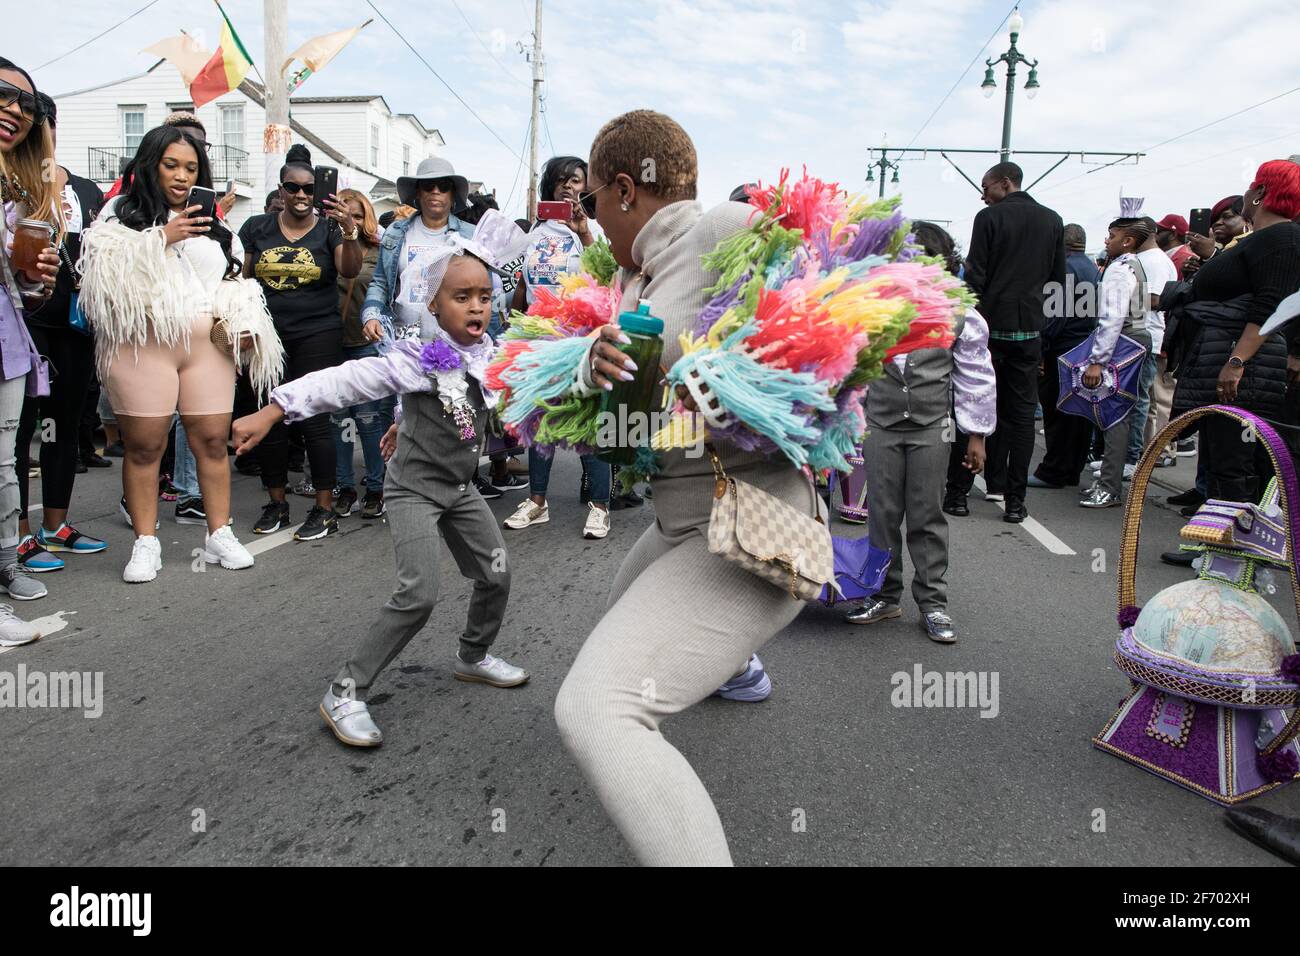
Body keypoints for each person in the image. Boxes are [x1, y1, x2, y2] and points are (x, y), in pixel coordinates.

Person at [551, 110, 826, 865]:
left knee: (596, 709)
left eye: (593, 205)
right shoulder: (630, 276)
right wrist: (591, 376)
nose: (590, 222)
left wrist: (728, 377)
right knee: (614, 644)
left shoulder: (725, 225)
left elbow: (830, 344)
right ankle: (733, 668)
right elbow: (625, 436)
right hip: (681, 523)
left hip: (752, 526)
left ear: (622, 190)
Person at [231, 238, 529, 747]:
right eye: (461, 296)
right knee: (418, 595)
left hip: (460, 488)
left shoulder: (495, 356)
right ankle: (345, 692)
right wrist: (274, 409)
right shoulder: (416, 358)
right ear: (432, 304)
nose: (476, 305)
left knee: (496, 573)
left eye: (484, 294)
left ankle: (472, 656)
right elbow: (347, 380)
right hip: (414, 489)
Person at [79, 123, 275, 582]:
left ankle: (219, 532)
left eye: (191, 167)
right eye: (171, 165)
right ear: (151, 165)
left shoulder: (214, 220)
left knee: (211, 440)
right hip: (143, 344)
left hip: (205, 345)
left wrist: (244, 321)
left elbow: (232, 276)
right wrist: (164, 236)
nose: (182, 176)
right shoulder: (119, 213)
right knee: (146, 446)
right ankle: (146, 542)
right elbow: (103, 279)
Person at [844, 222, 995, 642]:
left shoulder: (960, 314)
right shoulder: (870, 308)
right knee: (882, 514)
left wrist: (977, 435)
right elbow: (851, 370)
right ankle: (884, 595)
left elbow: (976, 378)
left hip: (932, 429)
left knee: (927, 516)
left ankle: (933, 603)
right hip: (881, 426)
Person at [1160, 161, 1299, 563]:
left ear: (1260, 193)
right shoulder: (1267, 238)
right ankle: (1223, 545)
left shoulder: (1282, 238)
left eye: (1251, 189)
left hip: (1247, 366)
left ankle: (1230, 553)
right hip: (1234, 358)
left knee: (1235, 461)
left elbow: (1269, 306)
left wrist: (1237, 360)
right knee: (1227, 458)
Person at [239, 144, 361, 541]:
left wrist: (348, 231)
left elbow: (349, 269)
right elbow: (244, 279)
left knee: (314, 421)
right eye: (294, 188)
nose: (303, 195)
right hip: (267, 336)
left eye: (309, 188)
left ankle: (324, 508)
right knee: (269, 420)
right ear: (281, 190)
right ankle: (277, 501)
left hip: (318, 333)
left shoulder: (329, 229)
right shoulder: (257, 227)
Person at [14, 93, 109, 574]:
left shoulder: (89, 190)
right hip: (27, 322)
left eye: (48, 122)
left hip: (76, 321)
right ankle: (18, 534)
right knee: (23, 429)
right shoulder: (15, 184)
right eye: (37, 122)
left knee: (65, 426)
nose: (44, 131)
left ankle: (56, 525)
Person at [945, 161, 1065, 524]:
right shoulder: (1052, 220)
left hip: (988, 330)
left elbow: (976, 274)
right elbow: (1056, 278)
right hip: (1029, 331)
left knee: (972, 404)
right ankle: (1015, 500)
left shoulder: (990, 218)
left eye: (986, 187)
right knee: (1022, 416)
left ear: (1005, 183)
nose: (983, 195)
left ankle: (959, 492)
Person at [502, 156, 614, 539]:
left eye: (577, 180)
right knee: (540, 418)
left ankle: (600, 506)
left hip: (579, 337)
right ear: (550, 185)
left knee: (589, 419)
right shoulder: (533, 232)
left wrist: (584, 233)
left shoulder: (591, 232)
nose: (569, 186)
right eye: (562, 180)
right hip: (538, 333)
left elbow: (607, 279)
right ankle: (537, 501)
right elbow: (521, 281)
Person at [0, 57, 61, 635]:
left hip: (8, 341)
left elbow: (31, 294)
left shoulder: (19, 193)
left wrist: (33, 277)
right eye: (2, 92)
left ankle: (3, 567)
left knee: (3, 468)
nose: (14, 109)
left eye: (27, 104)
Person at [1079, 218, 1154, 509]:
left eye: (1111, 236)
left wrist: (1097, 361)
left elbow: (1112, 318)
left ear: (1127, 241)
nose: (1106, 241)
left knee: (1115, 415)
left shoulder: (1120, 269)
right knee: (1119, 413)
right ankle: (1108, 484)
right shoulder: (1133, 264)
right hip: (1134, 339)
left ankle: (1109, 487)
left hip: (1124, 342)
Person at [361, 158, 475, 347]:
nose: (436, 191)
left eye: (444, 186)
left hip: (453, 342)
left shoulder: (470, 236)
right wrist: (371, 316)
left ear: (453, 194)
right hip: (403, 343)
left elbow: (482, 291)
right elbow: (380, 283)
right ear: (418, 192)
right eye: (428, 185)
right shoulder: (395, 233)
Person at [329, 188, 390, 519]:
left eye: (353, 213)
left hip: (366, 342)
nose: (345, 219)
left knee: (367, 419)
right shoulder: (326, 247)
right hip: (331, 343)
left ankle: (375, 488)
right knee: (338, 419)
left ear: (364, 215)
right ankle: (344, 487)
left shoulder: (380, 252)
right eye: (340, 212)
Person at [1029, 223, 1099, 490]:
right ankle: (1071, 468)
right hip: (1085, 346)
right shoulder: (1092, 267)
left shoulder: (1065, 269)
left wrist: (1042, 348)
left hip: (1062, 348)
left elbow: (1056, 315)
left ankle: (1053, 470)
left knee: (1056, 410)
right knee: (1078, 412)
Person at [1123, 218, 1178, 475]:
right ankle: (1132, 455)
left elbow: (1156, 299)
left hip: (1145, 337)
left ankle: (1133, 459)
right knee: (1141, 400)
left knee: (1140, 400)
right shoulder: (1145, 258)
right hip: (1138, 336)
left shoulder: (1154, 261)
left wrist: (1118, 296)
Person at [1155, 214, 1194, 279]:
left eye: (1158, 231)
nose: (1155, 235)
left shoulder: (1187, 259)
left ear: (1173, 235)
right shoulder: (1163, 256)